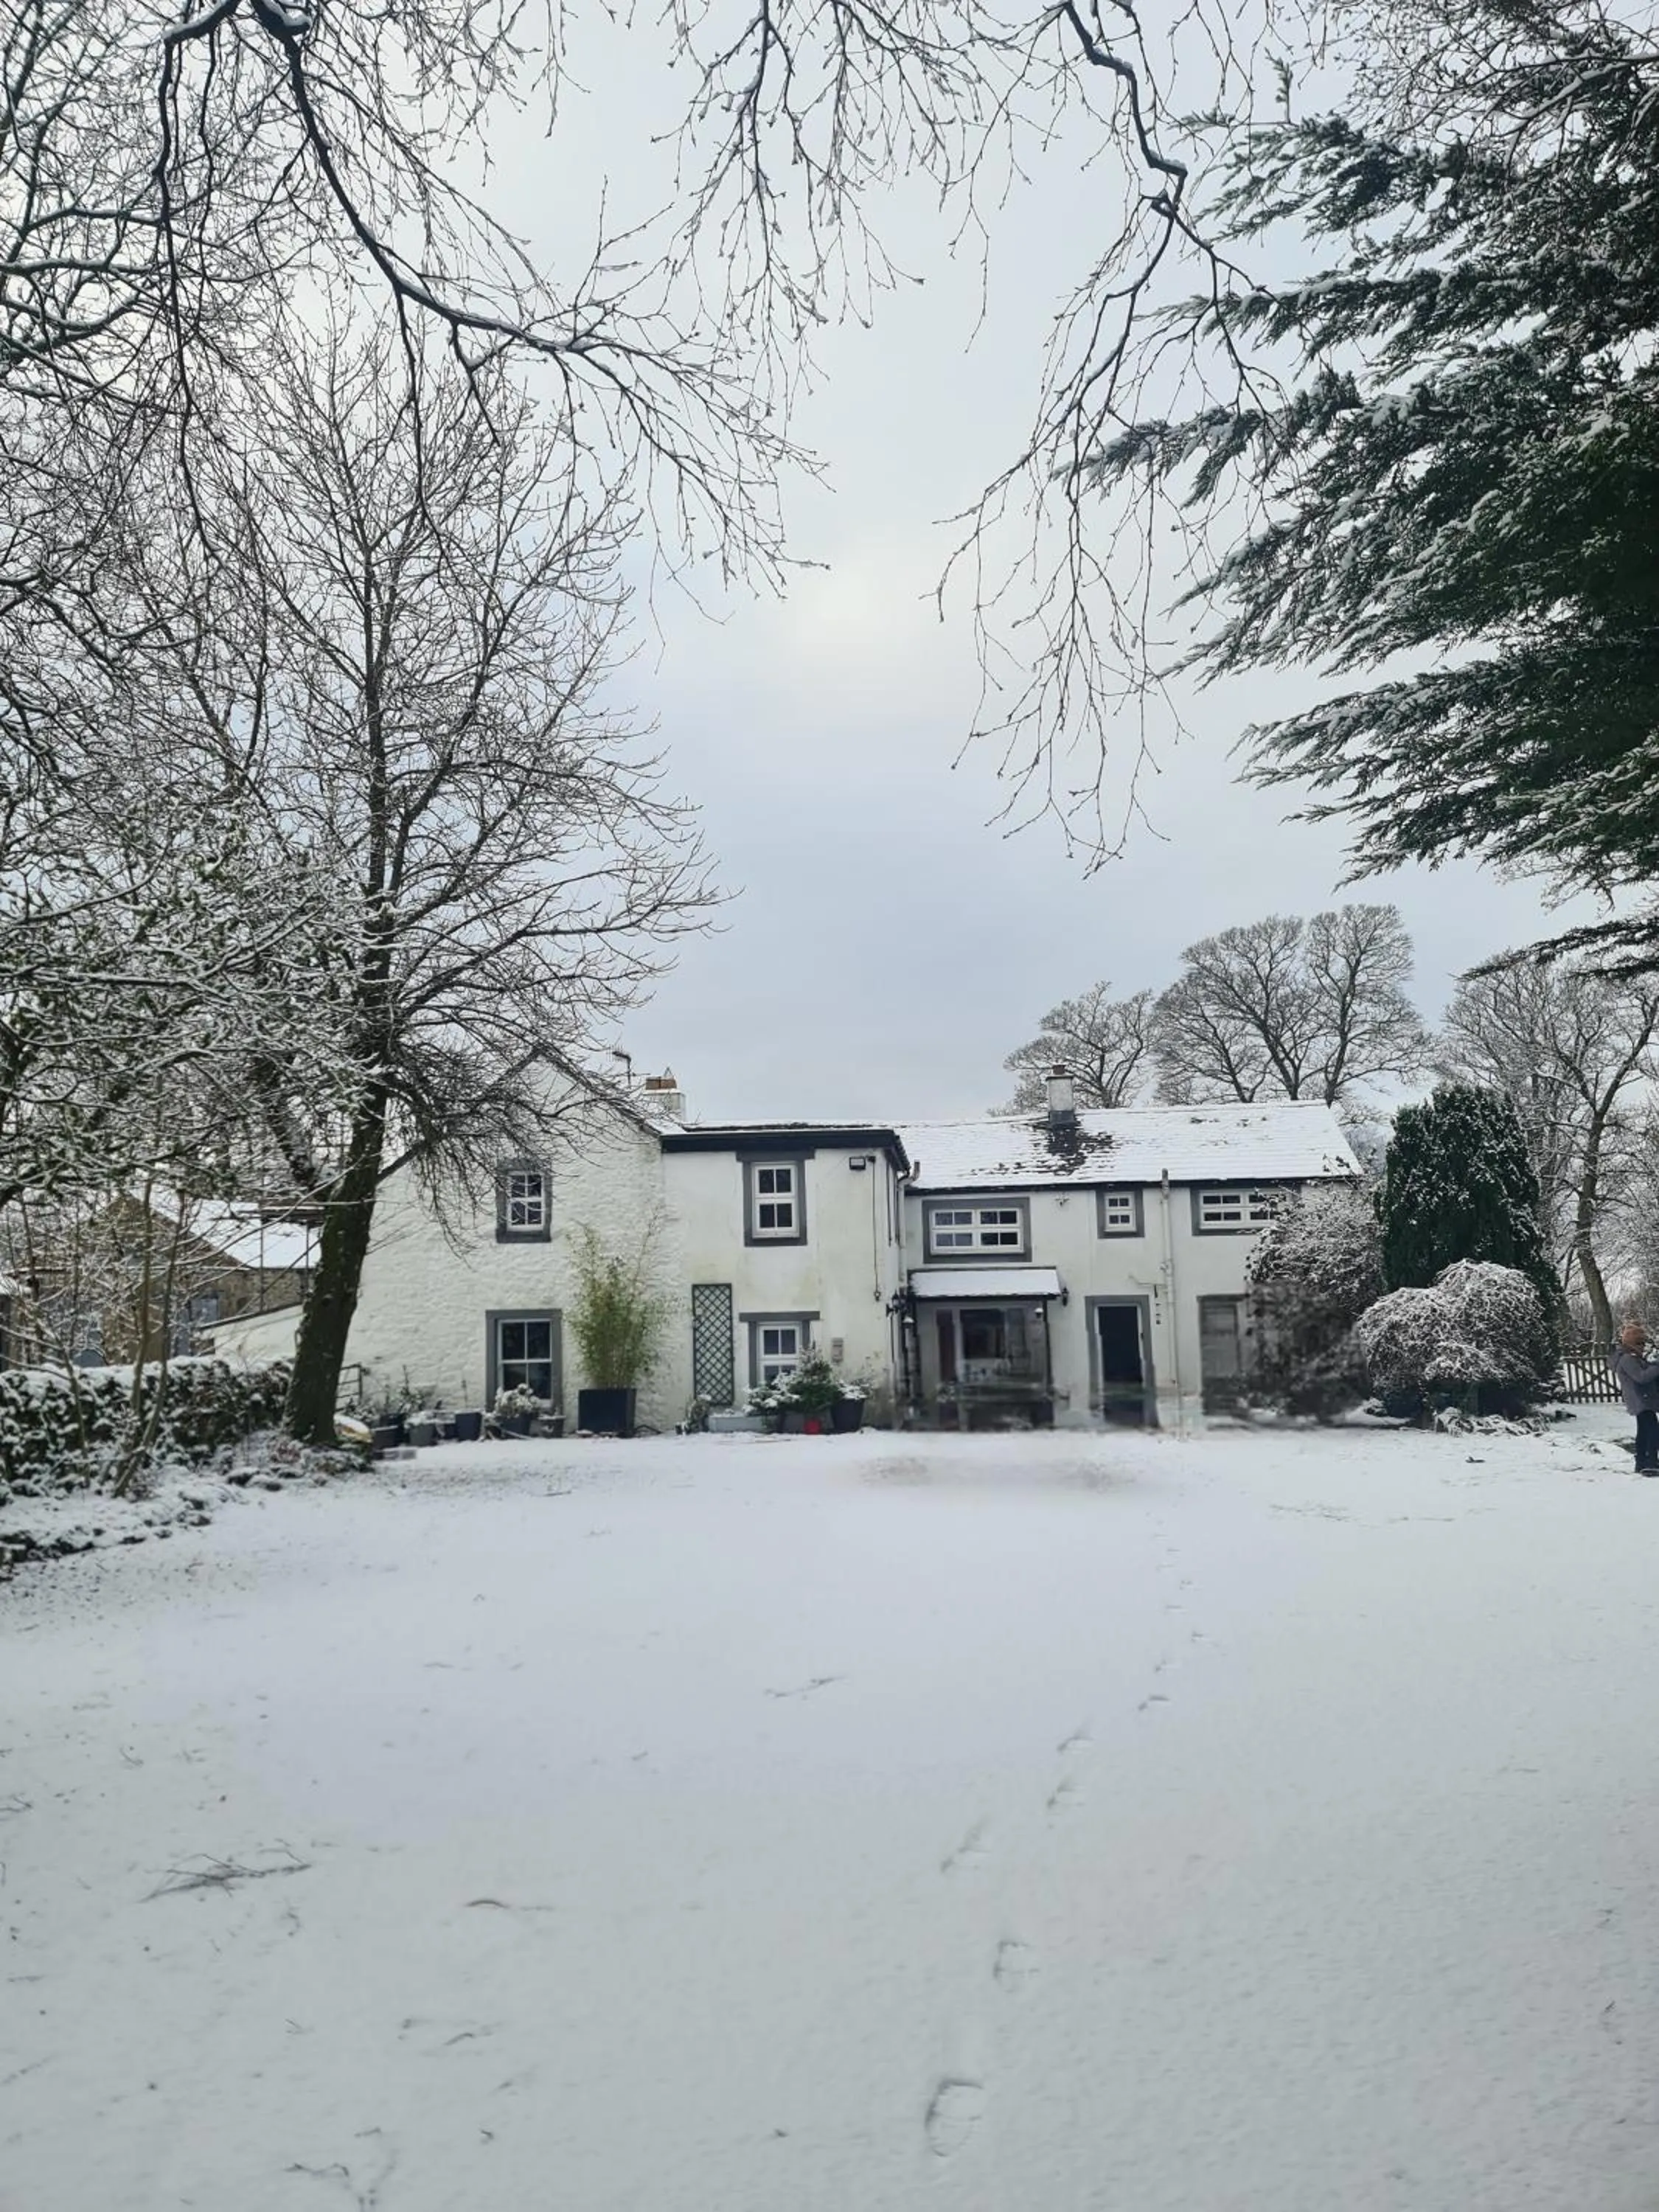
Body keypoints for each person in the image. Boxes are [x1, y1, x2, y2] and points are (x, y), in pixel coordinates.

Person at [1610, 1321, 1659, 1474]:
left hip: (1642, 1399)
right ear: (1632, 1343)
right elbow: (1641, 1377)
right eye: (1640, 1343)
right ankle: (1650, 1462)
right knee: (1652, 1430)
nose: (1643, 1347)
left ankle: (1643, 1462)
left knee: (1645, 1430)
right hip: (1640, 1399)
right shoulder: (1627, 1359)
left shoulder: (1632, 1357)